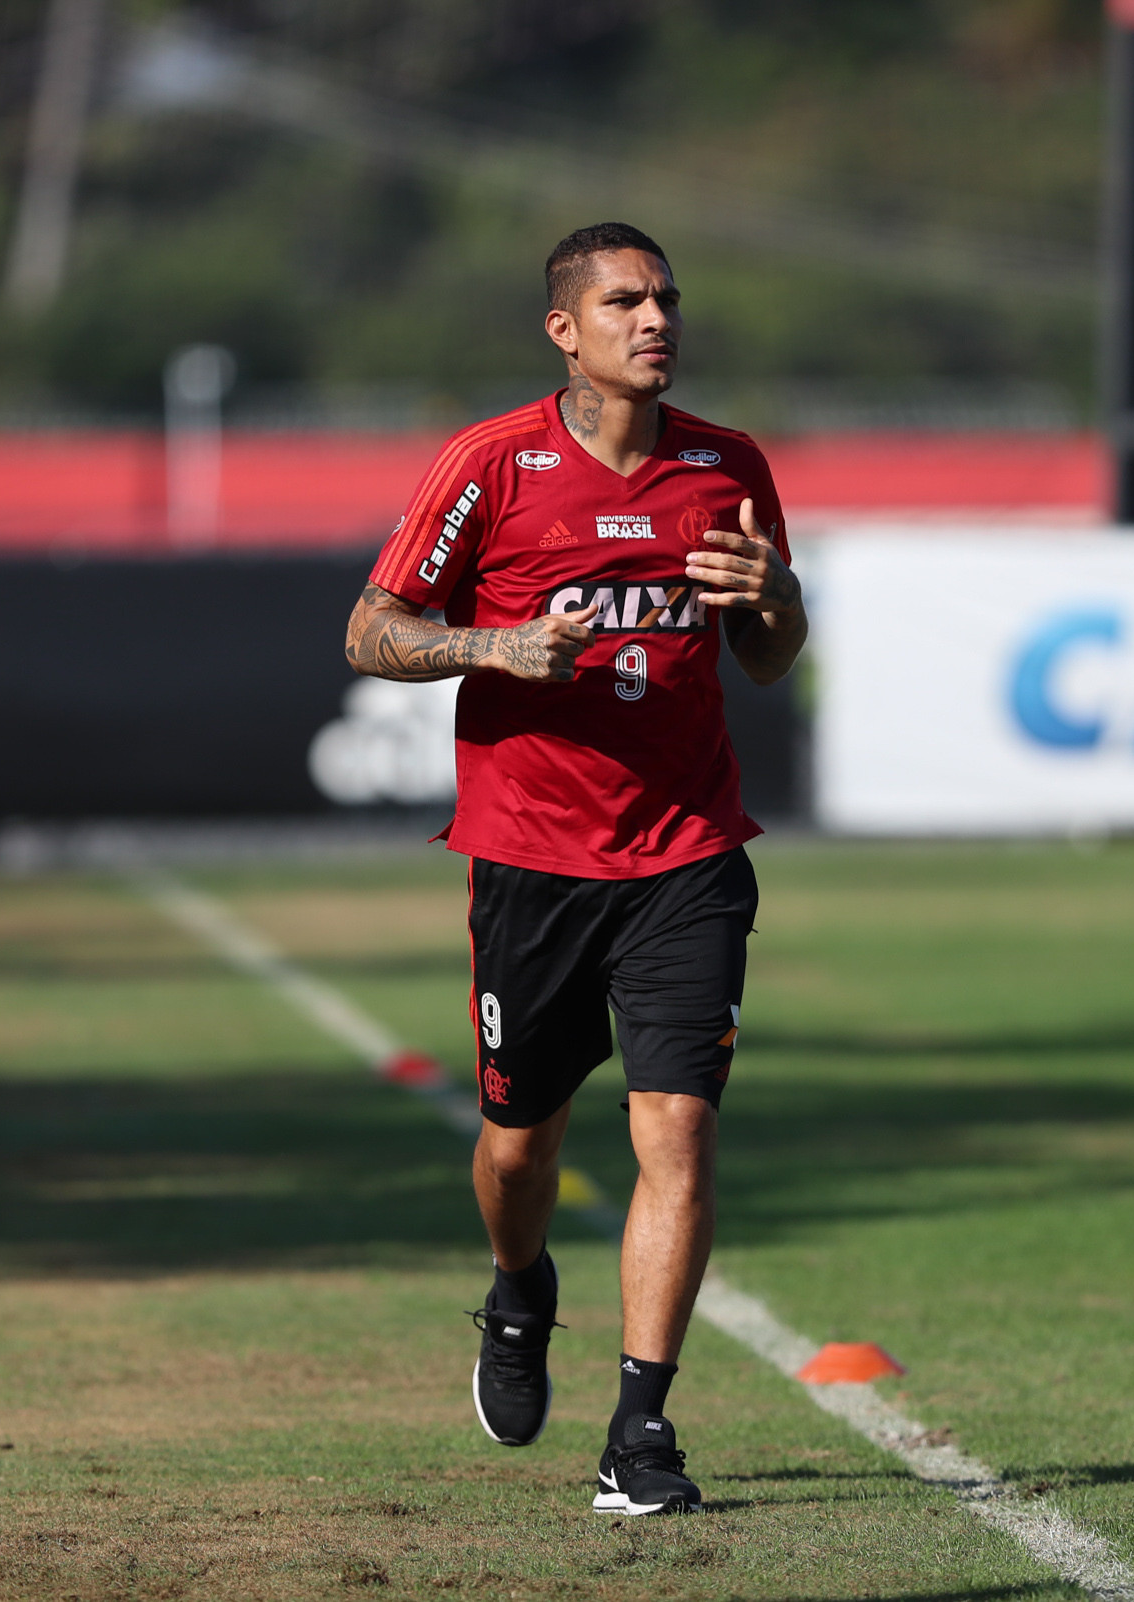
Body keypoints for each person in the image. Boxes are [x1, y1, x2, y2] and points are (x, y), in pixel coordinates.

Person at [342, 222, 806, 1516]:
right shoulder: (491, 463)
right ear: (565, 329)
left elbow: (768, 657)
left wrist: (775, 594)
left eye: (666, 299)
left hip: (687, 852)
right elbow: (371, 630)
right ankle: (517, 1289)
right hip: (531, 861)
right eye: (624, 302)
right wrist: (493, 646)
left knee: (680, 1131)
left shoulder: (728, 464)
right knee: (516, 1149)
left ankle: (640, 1429)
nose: (655, 320)